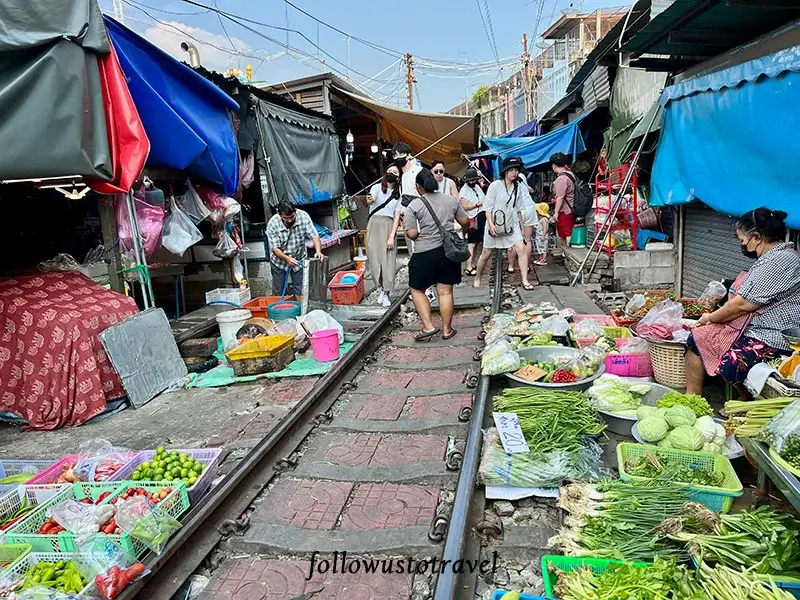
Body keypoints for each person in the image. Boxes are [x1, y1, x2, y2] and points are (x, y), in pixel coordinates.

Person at [685, 208, 800, 399]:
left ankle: (744, 399)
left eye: (742, 240)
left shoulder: (782, 260)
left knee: (733, 363)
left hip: (773, 336)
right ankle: (692, 396)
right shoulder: (771, 258)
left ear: (756, 237)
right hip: (752, 329)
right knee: (698, 338)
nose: (743, 245)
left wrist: (709, 317)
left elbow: (742, 305)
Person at [404, 168, 470, 342]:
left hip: (425, 253)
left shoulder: (414, 205)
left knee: (417, 289)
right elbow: (465, 222)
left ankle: (428, 327)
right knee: (445, 291)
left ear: (419, 187)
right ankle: (447, 330)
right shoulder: (451, 200)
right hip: (449, 252)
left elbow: (411, 234)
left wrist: (420, 232)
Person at [473, 156, 534, 290]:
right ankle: (478, 276)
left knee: (521, 249)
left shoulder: (517, 187)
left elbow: (518, 209)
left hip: (511, 224)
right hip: (495, 223)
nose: (514, 173)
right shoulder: (495, 186)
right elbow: (487, 208)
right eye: (511, 170)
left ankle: (525, 280)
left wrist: (522, 228)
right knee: (486, 253)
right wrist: (491, 224)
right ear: (505, 171)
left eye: (516, 170)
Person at [266, 201, 324, 298]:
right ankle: (280, 310)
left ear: (295, 211)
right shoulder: (272, 224)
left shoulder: (303, 217)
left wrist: (318, 252)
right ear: (279, 214)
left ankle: (300, 310)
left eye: (292, 217)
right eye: (286, 218)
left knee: (300, 289)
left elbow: (315, 236)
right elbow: (275, 249)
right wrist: (287, 259)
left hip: (299, 259)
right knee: (279, 291)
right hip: (279, 262)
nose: (289, 220)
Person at [366, 166, 403, 307]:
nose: (392, 174)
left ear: (399, 177)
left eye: (395, 172)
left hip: (388, 225)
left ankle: (387, 292)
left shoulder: (398, 194)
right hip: (374, 223)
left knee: (388, 261)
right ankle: (380, 288)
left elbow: (397, 217)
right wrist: (369, 199)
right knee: (375, 259)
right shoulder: (376, 187)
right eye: (390, 171)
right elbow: (372, 199)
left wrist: (391, 236)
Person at [508, 170, 536, 275]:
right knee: (527, 240)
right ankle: (526, 265)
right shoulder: (522, 176)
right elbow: (529, 190)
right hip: (529, 207)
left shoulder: (508, 180)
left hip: (517, 210)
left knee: (513, 240)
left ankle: (511, 266)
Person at [459, 167, 486, 276]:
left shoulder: (476, 187)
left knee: (476, 243)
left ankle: (473, 263)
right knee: (472, 243)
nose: (472, 182)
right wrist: (476, 205)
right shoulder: (464, 191)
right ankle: (469, 266)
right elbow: (464, 206)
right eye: (471, 180)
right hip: (471, 218)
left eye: (474, 180)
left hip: (479, 215)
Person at [551, 152, 575, 250]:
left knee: (566, 233)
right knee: (568, 231)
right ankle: (567, 253)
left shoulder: (561, 178)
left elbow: (560, 197)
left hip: (565, 210)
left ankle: (568, 254)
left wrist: (556, 212)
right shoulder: (570, 174)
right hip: (571, 207)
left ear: (554, 166)